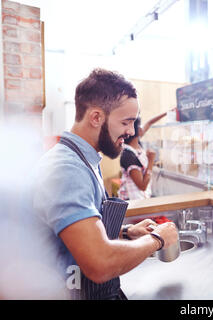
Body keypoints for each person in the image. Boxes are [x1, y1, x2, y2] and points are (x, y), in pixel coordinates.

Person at [30, 68, 178, 299]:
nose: (130, 132)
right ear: (96, 117)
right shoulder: (66, 169)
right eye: (126, 122)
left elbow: (77, 233)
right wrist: (157, 240)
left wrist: (127, 232)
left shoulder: (84, 158)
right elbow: (99, 263)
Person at [119, 110, 170, 200]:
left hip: (141, 198)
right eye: (139, 126)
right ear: (135, 130)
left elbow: (150, 122)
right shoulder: (128, 156)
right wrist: (150, 161)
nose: (142, 128)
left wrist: (167, 112)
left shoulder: (136, 143)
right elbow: (142, 186)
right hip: (132, 201)